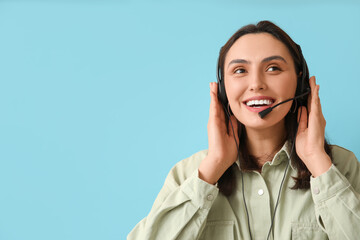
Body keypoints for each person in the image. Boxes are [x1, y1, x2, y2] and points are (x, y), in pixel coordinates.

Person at [127, 20, 360, 240]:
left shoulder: (339, 165)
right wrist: (213, 167)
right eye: (240, 70)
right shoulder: (189, 174)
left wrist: (317, 162)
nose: (256, 83)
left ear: (299, 82)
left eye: (273, 68)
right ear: (223, 89)